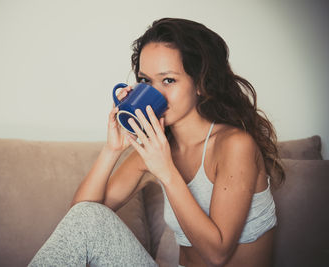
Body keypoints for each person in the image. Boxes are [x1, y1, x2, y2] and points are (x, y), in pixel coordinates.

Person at [28, 17, 285, 267]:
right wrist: (112, 150)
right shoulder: (154, 149)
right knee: (87, 217)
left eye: (169, 80)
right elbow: (82, 219)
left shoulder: (234, 145)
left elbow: (217, 254)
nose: (155, 92)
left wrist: (166, 171)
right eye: (145, 81)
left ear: (200, 83)